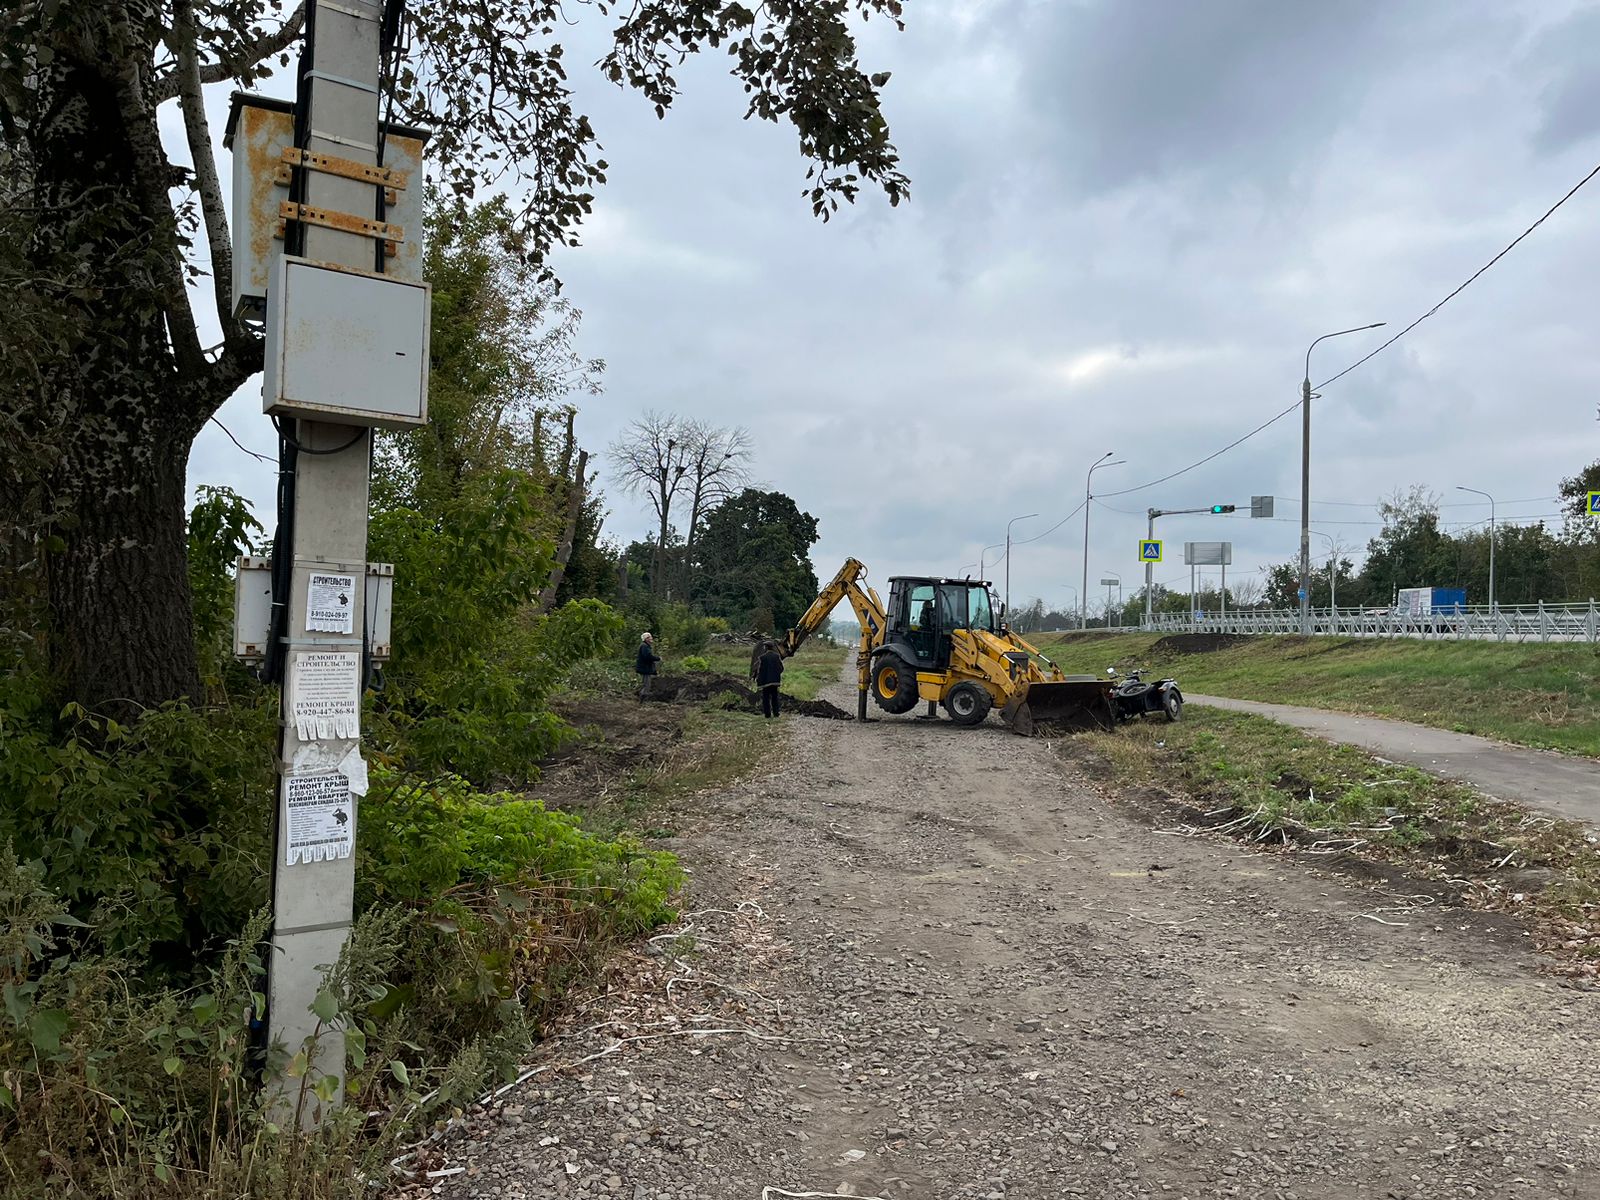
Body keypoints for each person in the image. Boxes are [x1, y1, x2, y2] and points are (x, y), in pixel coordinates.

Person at [755, 640, 784, 719]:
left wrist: (759, 680)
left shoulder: (762, 658)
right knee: (775, 697)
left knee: (766, 698)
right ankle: (776, 713)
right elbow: (781, 668)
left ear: (766, 647)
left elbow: (760, 670)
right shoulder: (777, 656)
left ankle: (767, 714)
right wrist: (776, 675)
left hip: (766, 682)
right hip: (775, 682)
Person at [635, 632, 661, 701]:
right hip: (645, 669)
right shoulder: (644, 646)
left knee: (646, 684)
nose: (651, 638)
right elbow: (647, 657)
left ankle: (643, 699)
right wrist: (657, 658)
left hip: (645, 668)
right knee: (646, 685)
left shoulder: (645, 646)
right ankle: (643, 700)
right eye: (650, 637)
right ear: (646, 639)